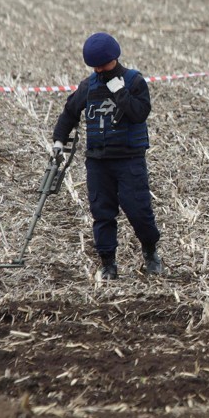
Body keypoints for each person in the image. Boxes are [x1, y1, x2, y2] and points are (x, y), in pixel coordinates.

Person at [52, 32, 163, 280]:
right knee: (102, 212)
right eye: (95, 66)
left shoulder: (134, 81)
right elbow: (69, 113)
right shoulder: (88, 86)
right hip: (98, 161)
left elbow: (139, 114)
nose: (100, 69)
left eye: (103, 64)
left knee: (138, 210)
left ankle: (151, 251)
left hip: (129, 159)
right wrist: (59, 140)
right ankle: (108, 263)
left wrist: (121, 93)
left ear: (115, 57)